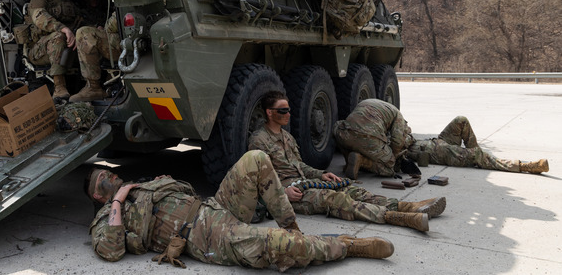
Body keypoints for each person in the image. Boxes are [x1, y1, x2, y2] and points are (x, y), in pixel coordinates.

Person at [86, 150, 395, 272]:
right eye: (103, 181)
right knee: (272, 244)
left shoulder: (143, 187)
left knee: (256, 158)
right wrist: (118, 201)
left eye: (109, 173)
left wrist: (164, 184)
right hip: (206, 236)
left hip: (214, 207)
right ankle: (345, 245)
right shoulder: (107, 216)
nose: (111, 177)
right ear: (98, 197)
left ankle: (294, 232)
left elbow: (189, 193)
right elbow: (111, 251)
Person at [248, 92, 443, 233]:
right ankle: (402, 219)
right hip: (291, 193)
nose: (288, 114)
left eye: (288, 109)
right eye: (283, 110)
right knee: (337, 200)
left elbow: (300, 166)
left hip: (304, 182)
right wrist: (283, 193)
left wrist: (321, 174)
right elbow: (259, 180)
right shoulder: (259, 140)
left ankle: (408, 206)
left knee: (352, 191)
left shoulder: (287, 137)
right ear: (269, 113)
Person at [334, 99, 550, 179]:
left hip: (434, 141)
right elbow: (397, 145)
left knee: (461, 120)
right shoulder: (397, 127)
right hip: (431, 151)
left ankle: (476, 156)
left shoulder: (385, 115)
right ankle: (523, 166)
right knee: (474, 155)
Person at [25, 0, 79, 99]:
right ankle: (59, 87)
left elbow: (80, 19)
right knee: (59, 36)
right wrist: (62, 28)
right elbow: (40, 18)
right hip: (38, 50)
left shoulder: (68, 3)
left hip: (64, 47)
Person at [69, 0, 120, 103]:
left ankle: (93, 87)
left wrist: (104, 29)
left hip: (123, 45)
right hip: (124, 45)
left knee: (84, 33)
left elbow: (114, 23)